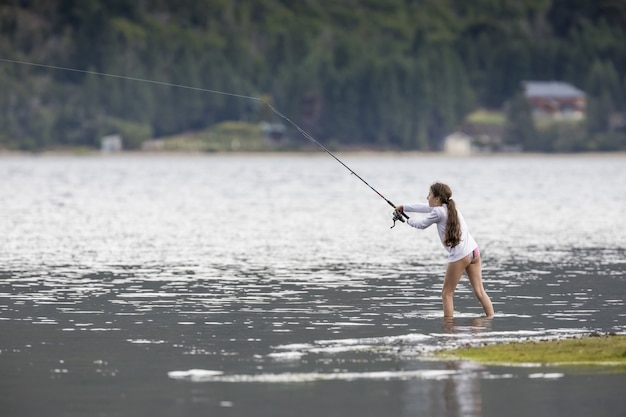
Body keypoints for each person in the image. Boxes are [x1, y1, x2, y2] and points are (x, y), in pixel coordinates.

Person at [395, 182, 494, 318]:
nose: (427, 197)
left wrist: (407, 220)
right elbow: (425, 207)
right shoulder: (450, 208)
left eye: (429, 194)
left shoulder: (438, 212)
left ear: (437, 199)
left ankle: (448, 330)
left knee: (447, 294)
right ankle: (490, 319)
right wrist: (404, 207)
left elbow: (422, 225)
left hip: (461, 255)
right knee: (480, 291)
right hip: (474, 251)